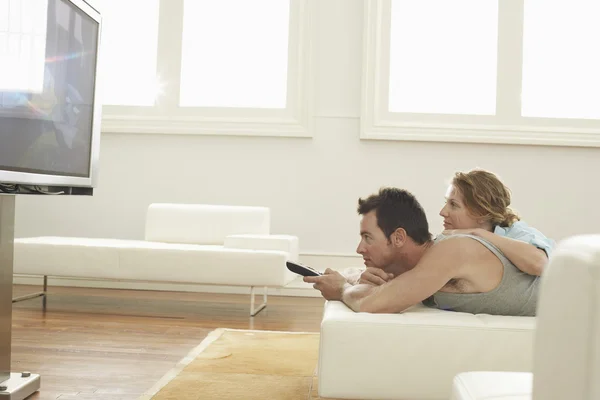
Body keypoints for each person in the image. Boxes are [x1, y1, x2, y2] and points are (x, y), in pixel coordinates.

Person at [305, 187, 540, 316]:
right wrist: (355, 277)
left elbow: (372, 305)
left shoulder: (453, 250)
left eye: (368, 237)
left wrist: (342, 289)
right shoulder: (423, 265)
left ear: (398, 237)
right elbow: (362, 279)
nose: (359, 248)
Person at [440, 169, 554, 276]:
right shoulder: (452, 240)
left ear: (481, 212)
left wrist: (479, 234)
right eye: (446, 202)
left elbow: (540, 265)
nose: (443, 212)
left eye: (454, 205)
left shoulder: (520, 234)